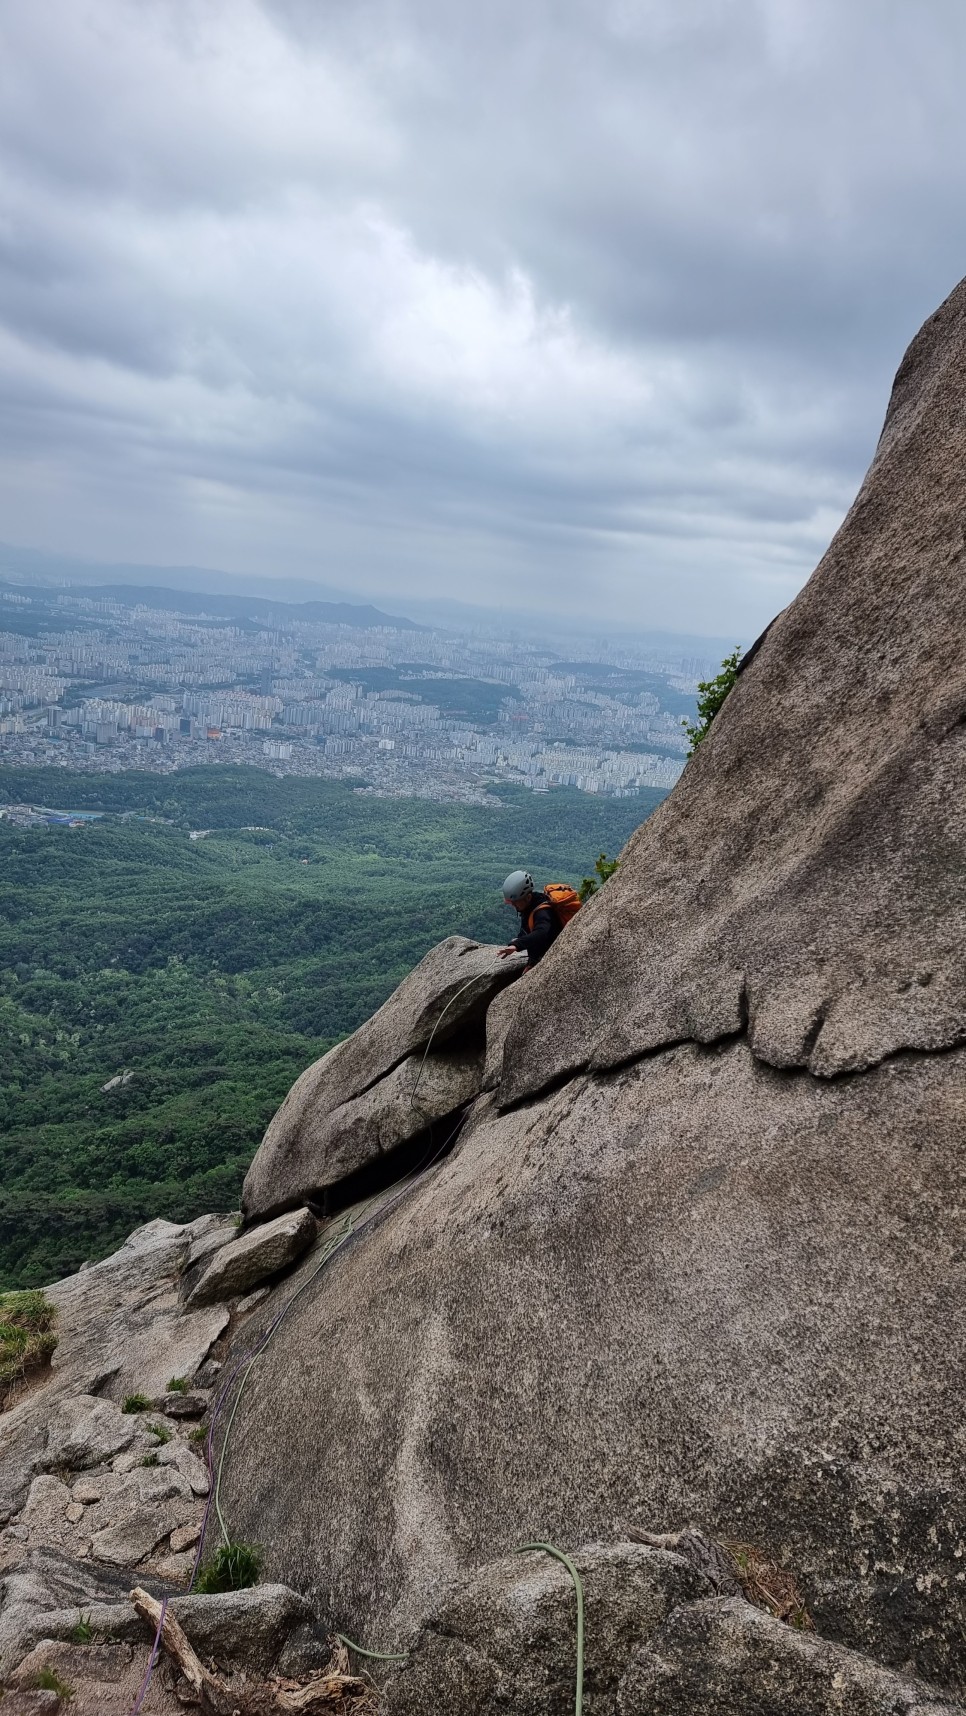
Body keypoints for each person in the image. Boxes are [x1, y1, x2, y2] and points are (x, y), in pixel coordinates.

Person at [497, 869, 562, 969]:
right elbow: (526, 930)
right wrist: (517, 942)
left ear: (528, 897)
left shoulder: (543, 912)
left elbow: (541, 933)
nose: (513, 905)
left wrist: (517, 945)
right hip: (539, 958)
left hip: (552, 960)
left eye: (516, 901)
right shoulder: (528, 908)